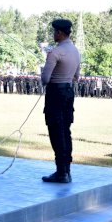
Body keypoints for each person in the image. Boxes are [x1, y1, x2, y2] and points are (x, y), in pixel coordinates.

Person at [40, 19, 81, 183]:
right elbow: (77, 77)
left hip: (55, 94)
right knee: (65, 131)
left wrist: (45, 70)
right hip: (68, 93)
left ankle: (61, 172)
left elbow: (45, 78)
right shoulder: (76, 51)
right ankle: (67, 171)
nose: (53, 34)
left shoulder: (55, 52)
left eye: (54, 32)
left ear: (59, 33)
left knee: (56, 133)